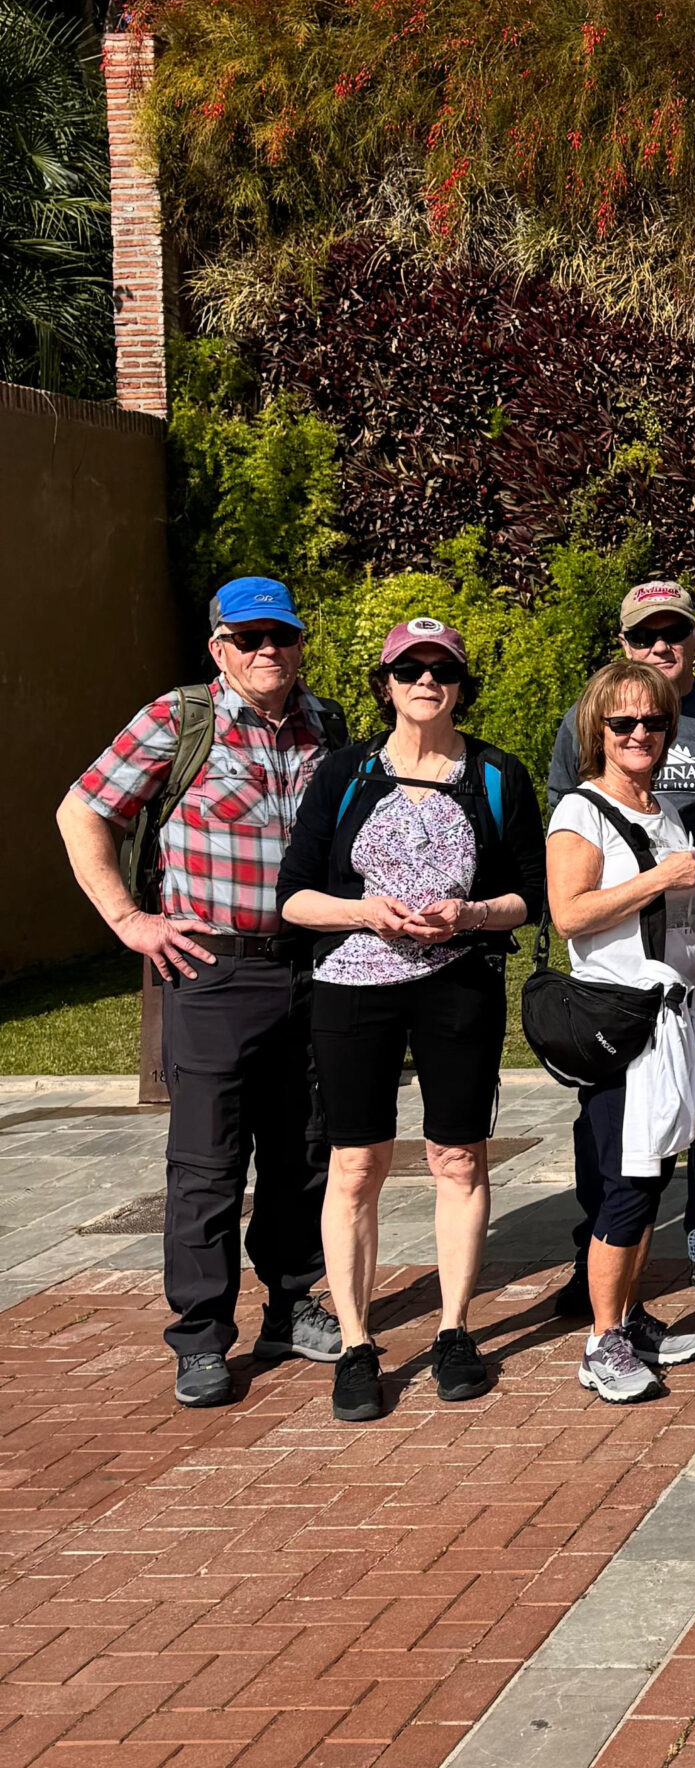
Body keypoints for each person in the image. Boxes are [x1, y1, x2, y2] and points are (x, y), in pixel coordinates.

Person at [55, 576, 345, 1408]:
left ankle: (292, 1304)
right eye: (249, 639)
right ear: (219, 647)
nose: (268, 653)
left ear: (299, 645)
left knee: (305, 1150)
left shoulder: (326, 726)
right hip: (210, 967)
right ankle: (201, 1335)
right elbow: (83, 810)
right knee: (208, 1163)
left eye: (281, 637)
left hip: (312, 963)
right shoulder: (178, 720)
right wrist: (127, 918)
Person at [279, 619, 545, 1421]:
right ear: (385, 683)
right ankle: (358, 1345)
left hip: (457, 983)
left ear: (462, 685)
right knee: (357, 1164)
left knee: (458, 1159)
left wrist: (469, 913)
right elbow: (294, 897)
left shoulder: (497, 774)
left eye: (442, 669)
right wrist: (365, 910)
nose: (426, 680)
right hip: (354, 985)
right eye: (409, 668)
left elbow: (530, 898)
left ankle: (456, 1330)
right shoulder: (345, 772)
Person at [547, 581, 695, 1312]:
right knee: (616, 1140)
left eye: (674, 632)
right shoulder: (587, 750)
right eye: (645, 636)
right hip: (618, 983)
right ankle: (601, 1273)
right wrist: (656, 878)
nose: (660, 646)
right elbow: (570, 884)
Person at [547, 660, 695, 1404]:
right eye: (623, 723)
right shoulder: (581, 812)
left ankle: (627, 1315)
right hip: (620, 1023)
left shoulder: (663, 811)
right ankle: (599, 1342)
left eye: (652, 720)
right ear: (598, 731)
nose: (640, 732)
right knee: (624, 1185)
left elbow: (684, 932)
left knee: (652, 1181)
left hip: (673, 1018)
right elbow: (570, 915)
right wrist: (657, 879)